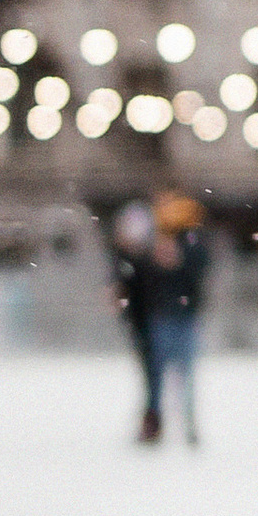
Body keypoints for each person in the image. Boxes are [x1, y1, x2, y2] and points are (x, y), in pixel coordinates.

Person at [141, 190, 208, 446]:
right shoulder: (159, 240)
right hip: (166, 317)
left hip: (179, 317)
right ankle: (159, 423)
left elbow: (197, 270)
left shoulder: (190, 242)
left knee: (181, 376)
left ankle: (183, 424)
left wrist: (176, 262)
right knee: (161, 375)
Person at [107, 197, 162, 442]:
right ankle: (152, 419)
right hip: (142, 323)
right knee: (151, 375)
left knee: (156, 375)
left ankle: (154, 420)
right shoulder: (124, 259)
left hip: (157, 321)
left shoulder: (148, 259)